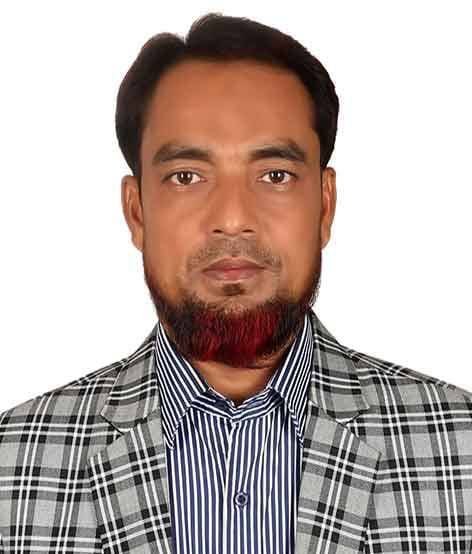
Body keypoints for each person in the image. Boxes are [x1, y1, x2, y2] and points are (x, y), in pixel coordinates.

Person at [1, 12, 471, 554]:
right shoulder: (13, 463)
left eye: (274, 175)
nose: (231, 218)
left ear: (324, 206)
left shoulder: (459, 445)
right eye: (186, 176)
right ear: (136, 211)